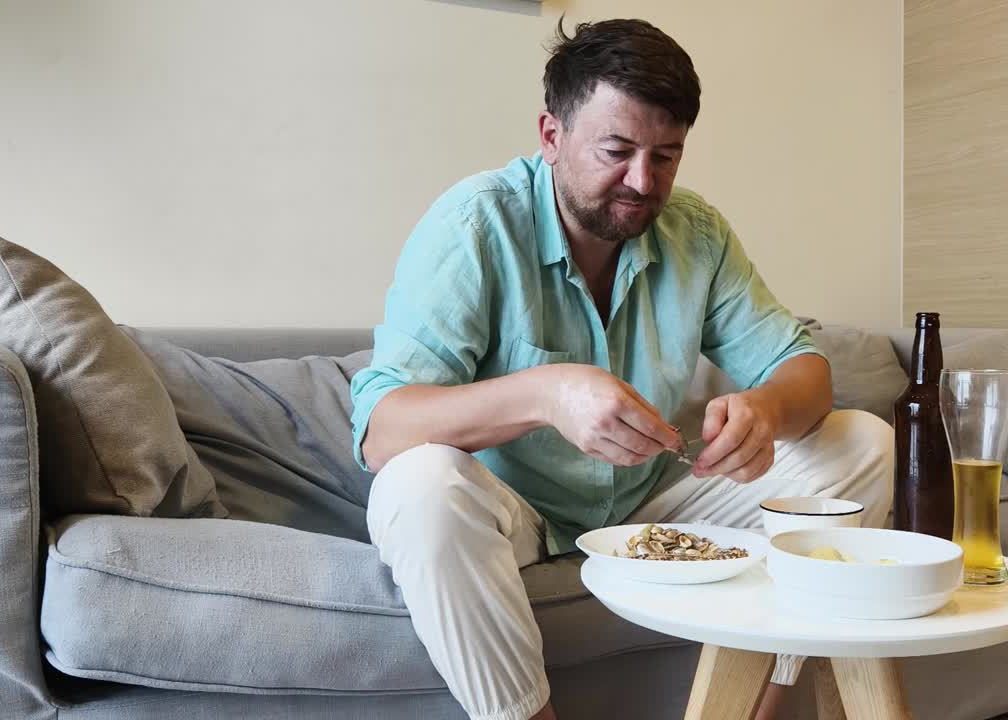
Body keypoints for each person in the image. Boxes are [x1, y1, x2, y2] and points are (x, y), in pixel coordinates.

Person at [350, 17, 892, 720]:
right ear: (551, 135)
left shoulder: (696, 232)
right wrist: (549, 393)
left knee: (863, 442)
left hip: (649, 505)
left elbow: (804, 370)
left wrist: (766, 410)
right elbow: (382, 431)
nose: (643, 181)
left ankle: (753, 709)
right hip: (508, 513)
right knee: (417, 485)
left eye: (666, 156)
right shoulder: (473, 225)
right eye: (617, 150)